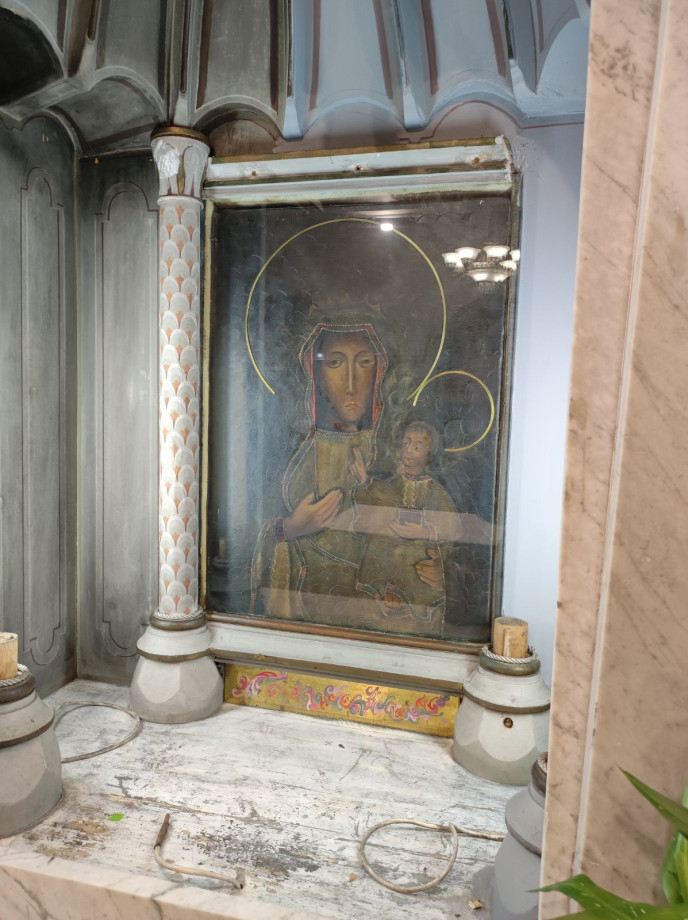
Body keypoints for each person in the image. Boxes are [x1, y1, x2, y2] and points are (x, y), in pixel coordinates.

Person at [250, 320, 388, 623]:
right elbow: (240, 536)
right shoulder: (288, 453)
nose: (351, 383)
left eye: (364, 362)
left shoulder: (395, 454)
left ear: (379, 370)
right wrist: (289, 528)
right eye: (335, 363)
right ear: (315, 372)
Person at [351, 421, 459, 636]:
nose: (408, 450)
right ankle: (387, 590)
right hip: (391, 558)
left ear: (429, 454)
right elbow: (379, 497)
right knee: (381, 542)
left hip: (419, 560)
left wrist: (425, 533)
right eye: (405, 444)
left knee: (414, 554)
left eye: (417, 447)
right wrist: (364, 480)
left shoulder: (436, 492)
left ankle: (403, 595)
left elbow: (451, 527)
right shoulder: (394, 484)